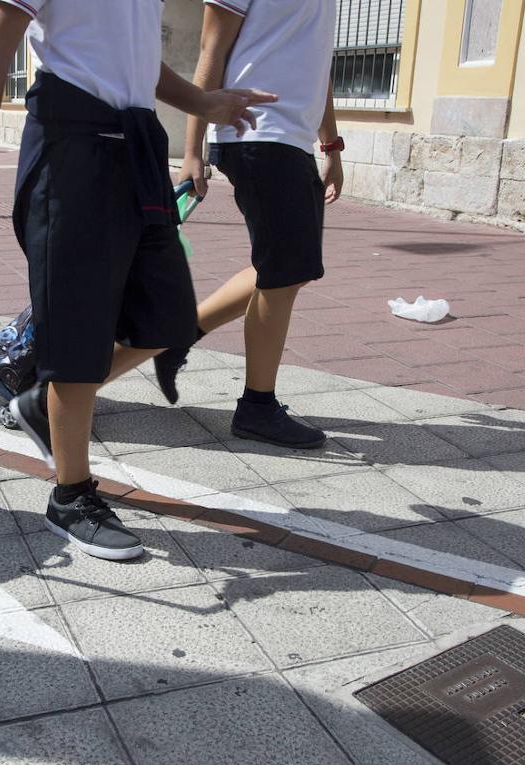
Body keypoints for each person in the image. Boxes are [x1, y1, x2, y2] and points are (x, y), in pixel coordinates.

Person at [0, 0, 274, 561]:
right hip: (70, 147)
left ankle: (37, 404)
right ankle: (71, 497)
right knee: (78, 332)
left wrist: (201, 101)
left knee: (168, 317)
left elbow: (136, 60)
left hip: (136, 145)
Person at [164, 0, 344, 449]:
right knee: (284, 274)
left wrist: (331, 146)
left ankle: (181, 335)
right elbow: (211, 49)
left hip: (290, 140)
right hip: (255, 133)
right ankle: (257, 407)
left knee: (286, 269)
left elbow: (316, 65)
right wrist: (192, 150)